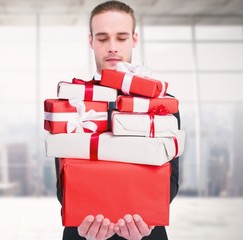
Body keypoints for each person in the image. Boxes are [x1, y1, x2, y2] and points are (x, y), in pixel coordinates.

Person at [54, 1, 180, 240]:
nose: (112, 47)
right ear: (91, 41)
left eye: (121, 38)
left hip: (146, 232)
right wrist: (84, 217)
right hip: (83, 230)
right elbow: (63, 179)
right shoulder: (71, 102)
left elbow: (171, 177)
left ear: (134, 39)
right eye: (102, 38)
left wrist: (146, 216)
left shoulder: (163, 103)